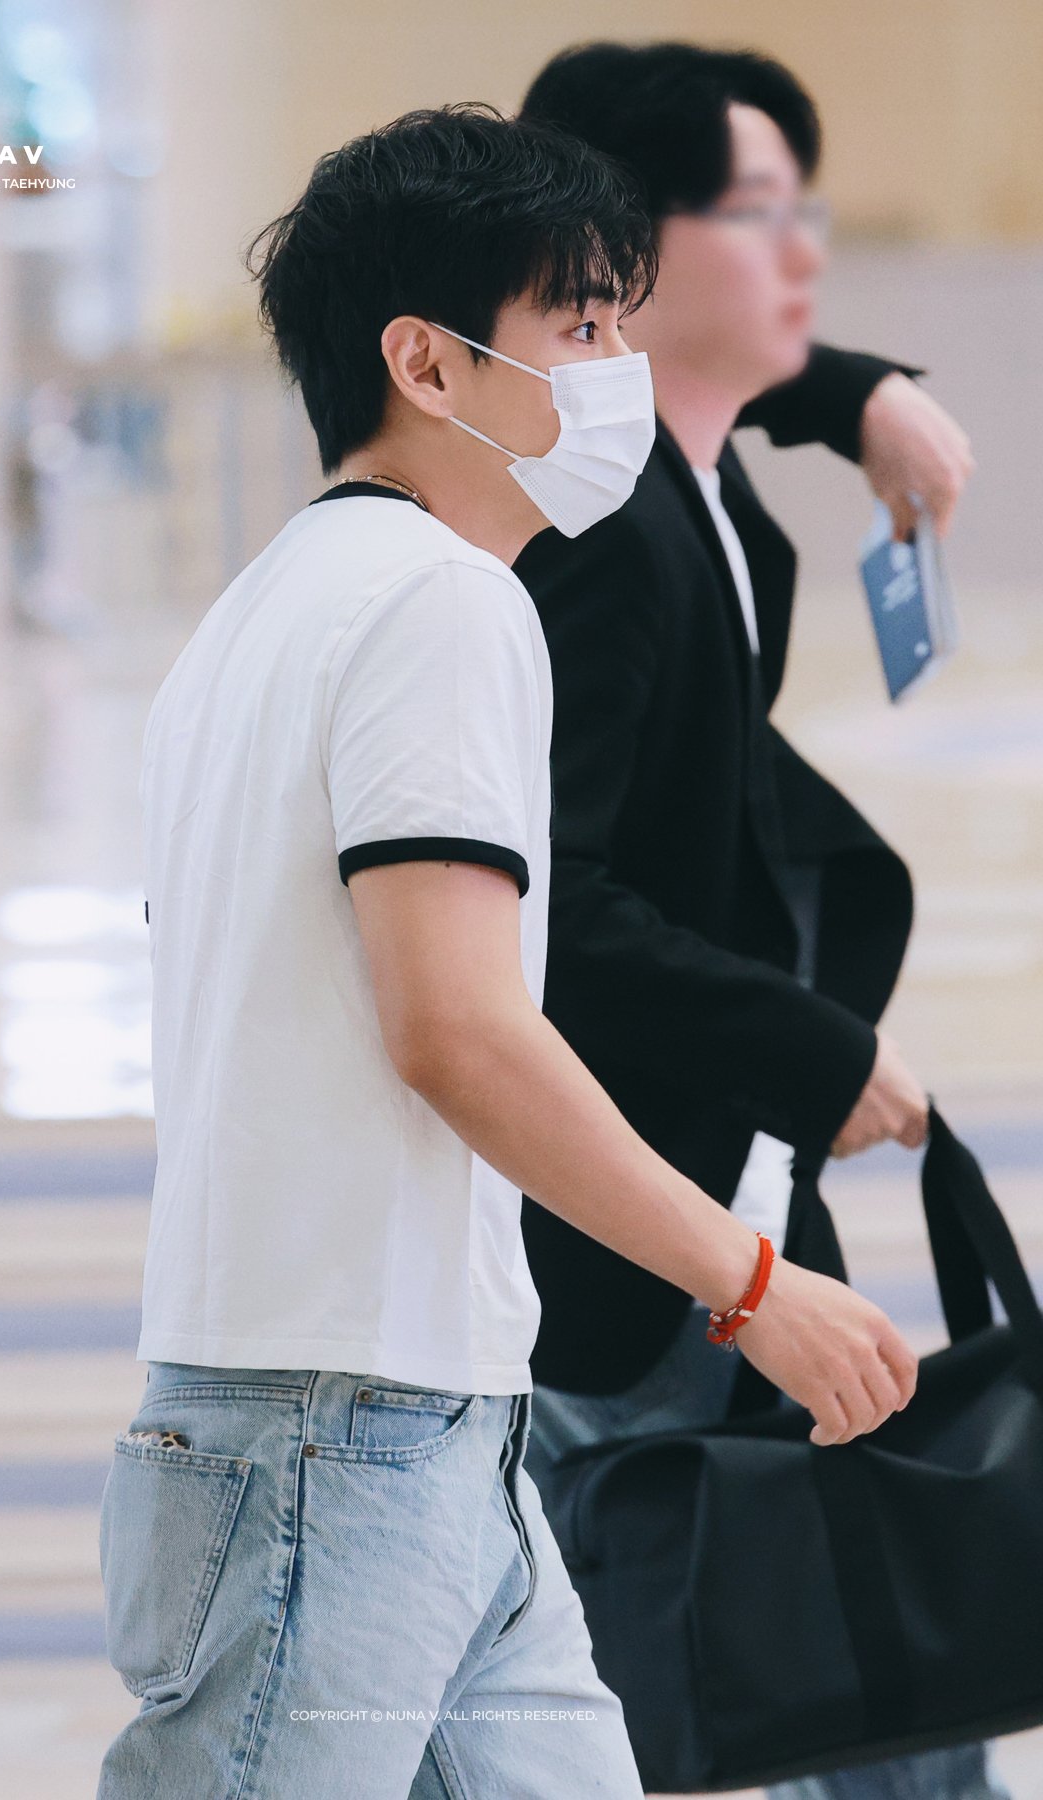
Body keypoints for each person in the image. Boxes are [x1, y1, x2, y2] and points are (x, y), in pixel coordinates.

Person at [96, 103, 918, 1800]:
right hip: (337, 1430)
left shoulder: (258, 617)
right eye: (581, 328)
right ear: (426, 361)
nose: (618, 372)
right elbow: (457, 1031)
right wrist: (750, 1282)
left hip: (414, 1420)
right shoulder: (440, 603)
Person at [513, 42, 999, 1800]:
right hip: (633, 1243)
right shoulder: (594, 525)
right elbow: (547, 909)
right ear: (621, 247)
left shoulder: (696, 494)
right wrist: (812, 1048)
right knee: (712, 1706)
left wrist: (848, 389)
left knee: (877, 1689)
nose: (808, 253)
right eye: (763, 212)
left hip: (730, 1196)